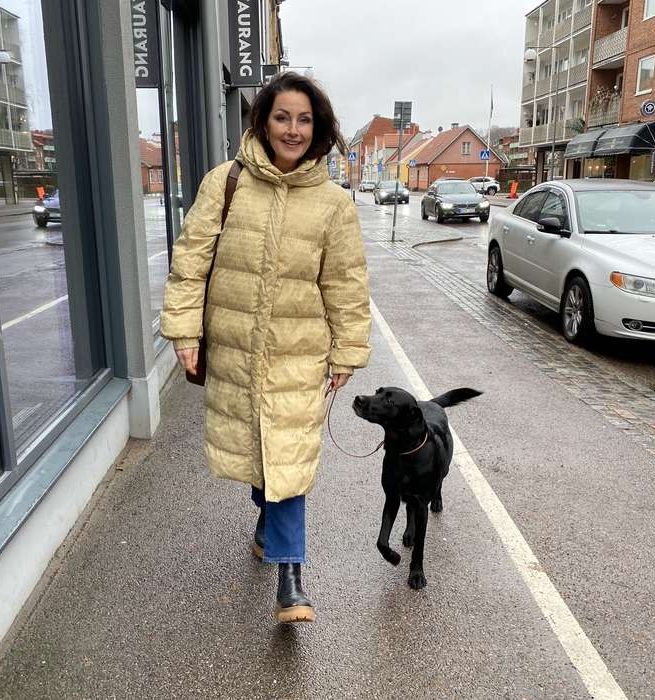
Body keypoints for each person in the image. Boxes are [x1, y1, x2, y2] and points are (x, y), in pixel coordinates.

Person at [160, 72, 371, 623]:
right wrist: (184, 331)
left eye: (304, 119)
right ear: (263, 121)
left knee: (288, 458)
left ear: (318, 127)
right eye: (282, 117)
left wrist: (347, 350)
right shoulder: (224, 183)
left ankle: (290, 577)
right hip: (235, 348)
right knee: (262, 457)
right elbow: (190, 263)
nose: (293, 130)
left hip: (298, 353)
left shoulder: (333, 204)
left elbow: (346, 283)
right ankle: (265, 519)